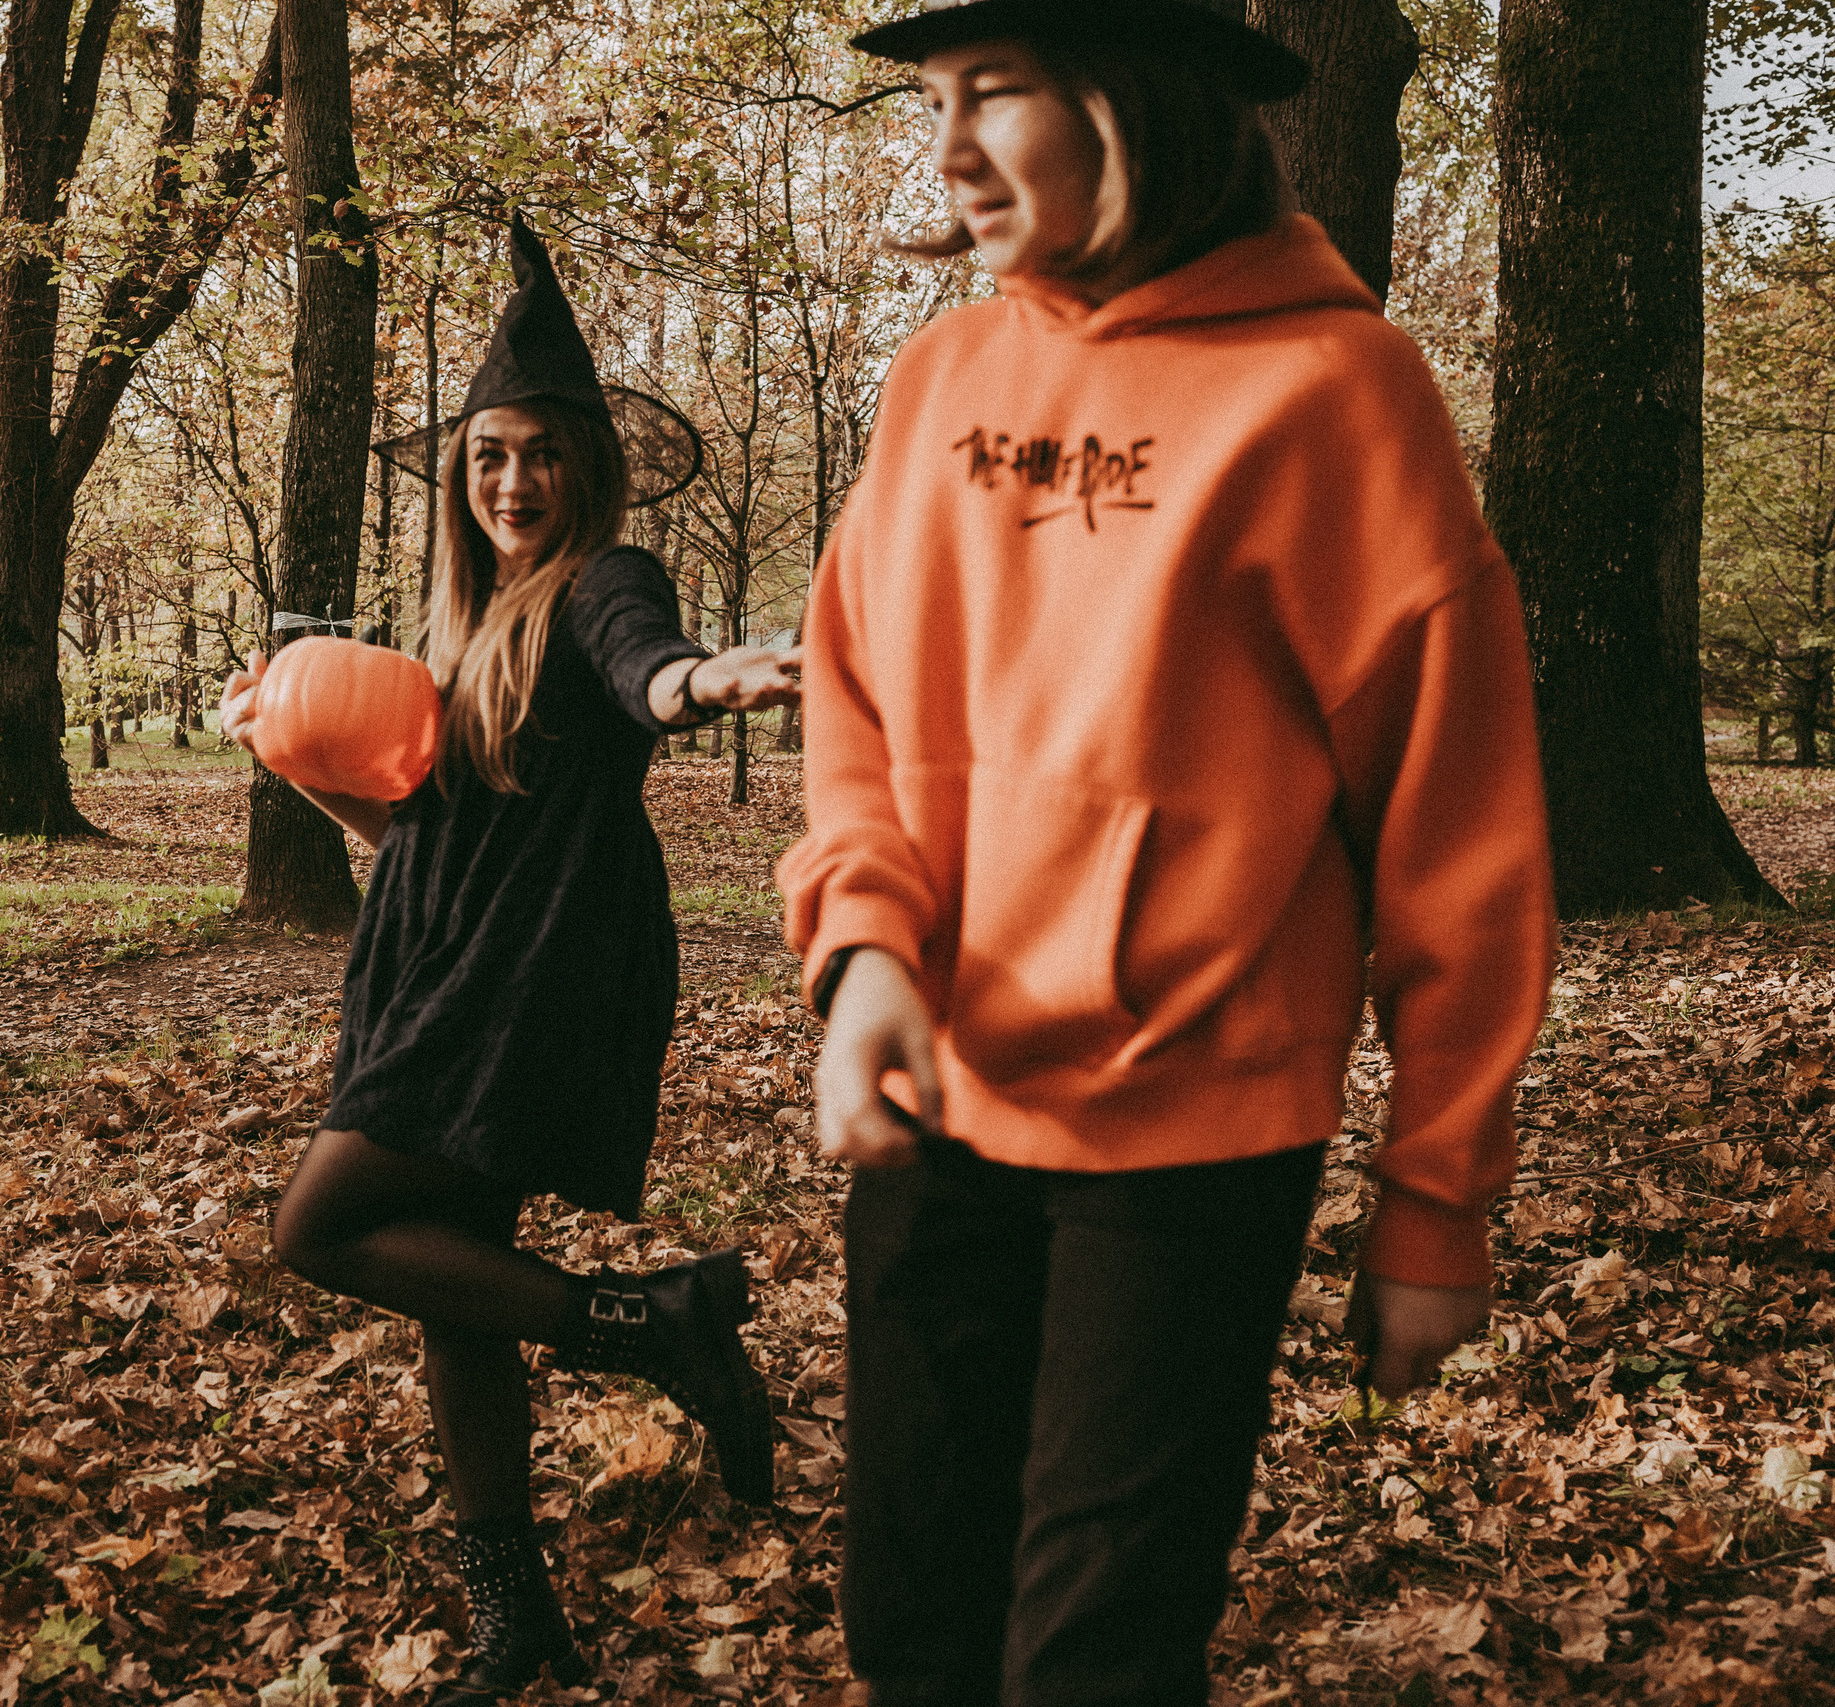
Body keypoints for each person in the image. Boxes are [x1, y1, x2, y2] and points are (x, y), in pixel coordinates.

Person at [778, 2, 1558, 1702]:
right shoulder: (940, 378)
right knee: (914, 1620)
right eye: (934, 100)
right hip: (938, 1095)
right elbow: (854, 701)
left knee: (1096, 1653)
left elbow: (1460, 831)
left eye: (996, 95)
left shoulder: (1339, 394)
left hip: (1197, 1131)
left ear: (1137, 105)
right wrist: (865, 952)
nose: (946, 150)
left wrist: (1436, 1205)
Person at [221, 215, 804, 1704]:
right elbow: (413, 832)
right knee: (449, 1281)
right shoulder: (463, 627)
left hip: (533, 965)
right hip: (438, 952)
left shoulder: (607, 581)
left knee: (320, 1226)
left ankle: (653, 1323)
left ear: (585, 467)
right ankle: (519, 1619)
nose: (514, 481)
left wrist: (705, 679)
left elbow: (646, 668)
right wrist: (290, 756)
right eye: (490, 455)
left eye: (543, 454)